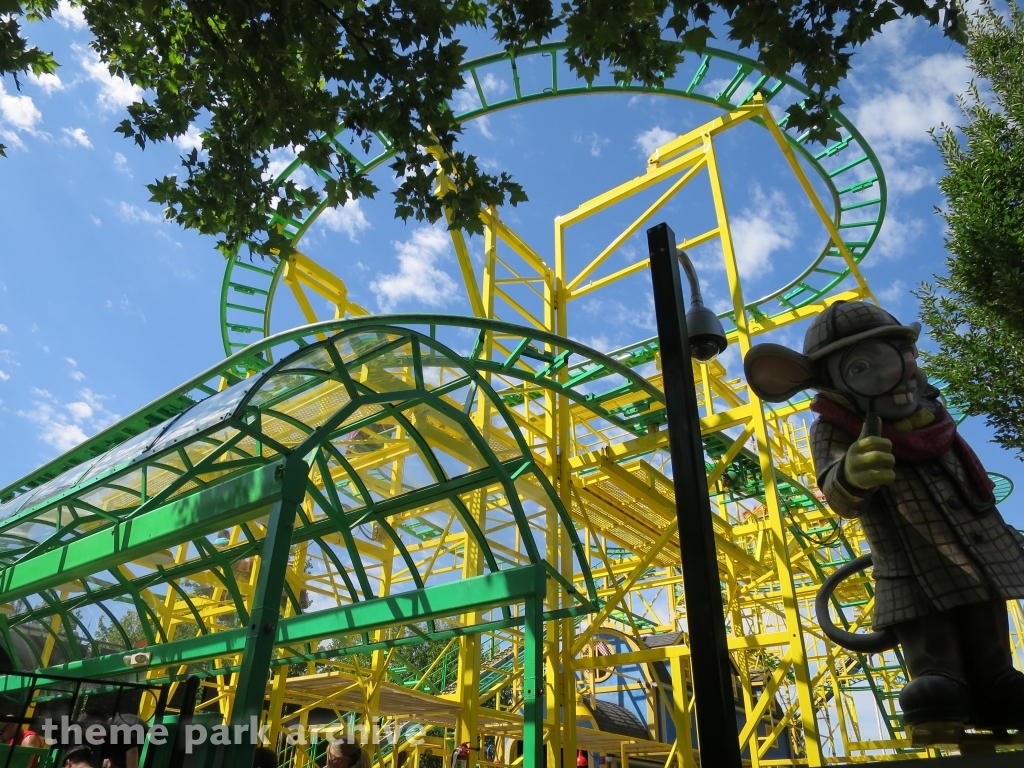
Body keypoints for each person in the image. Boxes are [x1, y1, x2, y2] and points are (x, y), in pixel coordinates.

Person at [744, 300, 1024, 727]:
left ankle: (996, 678)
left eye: (902, 355)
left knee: (984, 607)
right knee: (926, 618)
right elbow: (838, 494)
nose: (899, 371)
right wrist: (851, 473)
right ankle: (938, 674)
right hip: (911, 556)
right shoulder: (835, 426)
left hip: (978, 542)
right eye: (860, 368)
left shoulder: (934, 415)